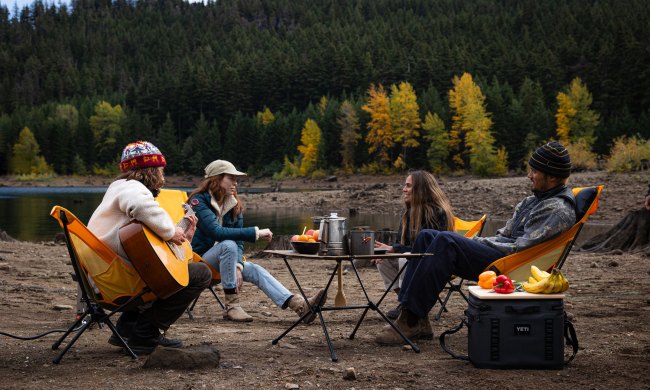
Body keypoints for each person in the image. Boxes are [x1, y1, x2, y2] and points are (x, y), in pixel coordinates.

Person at [375, 141, 576, 345]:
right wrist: (476, 242)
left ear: (551, 176)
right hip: (504, 254)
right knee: (427, 235)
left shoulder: (557, 210)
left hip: (511, 264)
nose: (529, 176)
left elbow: (524, 249)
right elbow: (503, 234)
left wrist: (475, 244)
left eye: (534, 171)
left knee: (445, 240)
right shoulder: (531, 202)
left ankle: (410, 321)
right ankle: (416, 318)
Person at [88, 141, 212, 354]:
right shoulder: (132, 188)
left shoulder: (116, 189)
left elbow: (143, 245)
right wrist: (171, 232)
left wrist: (183, 235)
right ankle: (145, 334)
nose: (163, 174)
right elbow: (141, 206)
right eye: (161, 169)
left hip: (104, 278)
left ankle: (127, 329)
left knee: (159, 270)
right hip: (119, 283)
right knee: (201, 273)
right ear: (151, 170)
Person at [189, 159, 327, 323]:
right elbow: (216, 232)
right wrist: (256, 232)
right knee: (228, 244)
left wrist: (238, 266)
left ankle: (300, 306)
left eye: (236, 179)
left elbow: (239, 243)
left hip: (225, 259)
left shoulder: (233, 204)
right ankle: (232, 307)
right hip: (198, 262)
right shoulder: (198, 201)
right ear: (216, 179)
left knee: (255, 269)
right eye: (231, 178)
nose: (235, 182)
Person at [371, 170, 455, 319]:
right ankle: (406, 302)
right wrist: (388, 250)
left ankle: (409, 306)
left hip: (435, 263)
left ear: (421, 189)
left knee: (405, 257)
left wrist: (395, 249)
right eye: (405, 185)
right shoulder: (408, 213)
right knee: (383, 261)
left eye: (408, 186)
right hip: (414, 261)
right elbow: (402, 244)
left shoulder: (437, 213)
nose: (404, 189)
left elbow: (429, 249)